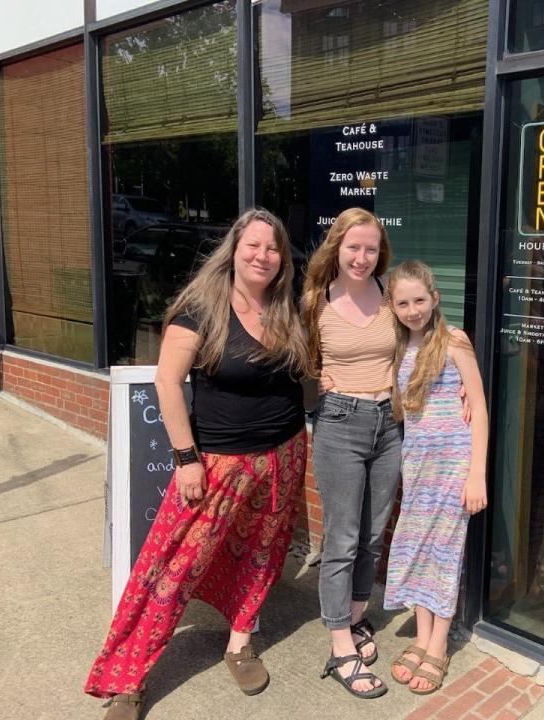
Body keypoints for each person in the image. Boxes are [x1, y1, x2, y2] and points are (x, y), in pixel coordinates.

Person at [85, 209, 310, 720]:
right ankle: (128, 678)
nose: (263, 256)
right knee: (169, 568)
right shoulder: (201, 307)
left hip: (285, 452)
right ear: (233, 249)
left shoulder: (286, 307)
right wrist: (186, 459)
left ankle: (239, 641)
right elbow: (168, 383)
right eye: (253, 245)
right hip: (218, 460)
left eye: (273, 248)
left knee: (264, 552)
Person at [301, 207, 401, 698]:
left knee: (373, 535)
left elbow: (427, 339)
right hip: (340, 423)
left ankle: (357, 618)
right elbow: (293, 362)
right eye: (353, 247)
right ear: (335, 248)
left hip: (389, 424)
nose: (362, 257)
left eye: (371, 248)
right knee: (341, 538)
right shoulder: (313, 302)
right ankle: (341, 646)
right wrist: (312, 387)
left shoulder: (390, 294)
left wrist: (463, 379)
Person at [384, 260, 488, 695]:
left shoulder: (454, 342)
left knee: (445, 552)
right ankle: (422, 635)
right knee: (419, 547)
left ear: (435, 298)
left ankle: (439, 644)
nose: (413, 310)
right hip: (418, 464)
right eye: (403, 302)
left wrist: (477, 474)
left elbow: (479, 408)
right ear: (392, 305)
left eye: (419, 300)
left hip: (454, 464)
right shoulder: (396, 348)